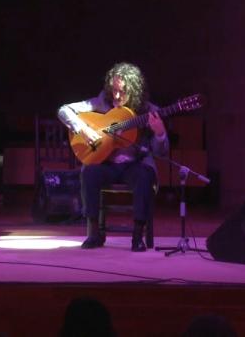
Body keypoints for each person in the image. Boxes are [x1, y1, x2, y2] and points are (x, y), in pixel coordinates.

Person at [58, 62, 169, 252]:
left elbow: (161, 152)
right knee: (89, 173)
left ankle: (137, 234)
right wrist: (82, 129)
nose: (116, 96)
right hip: (106, 163)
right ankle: (94, 233)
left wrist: (160, 133)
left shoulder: (148, 111)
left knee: (145, 176)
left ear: (134, 91)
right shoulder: (100, 103)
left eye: (122, 92)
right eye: (114, 90)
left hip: (134, 164)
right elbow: (63, 110)